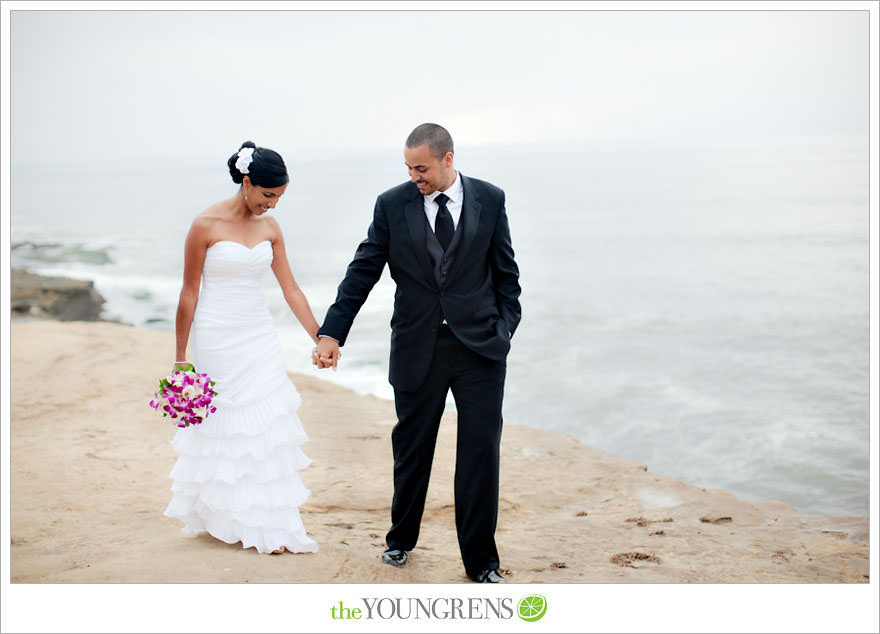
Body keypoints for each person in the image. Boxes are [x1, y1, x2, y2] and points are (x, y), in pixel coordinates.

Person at [314, 123, 521, 583]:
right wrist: (332, 332)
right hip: (416, 346)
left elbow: (507, 274)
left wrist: (504, 330)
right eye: (408, 167)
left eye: (422, 167)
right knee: (412, 448)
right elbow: (363, 268)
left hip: (480, 349)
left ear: (448, 159)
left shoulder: (491, 198)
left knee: (480, 453)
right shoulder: (392, 205)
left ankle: (482, 563)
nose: (414, 176)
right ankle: (400, 541)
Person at [164, 141, 320, 555]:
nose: (272, 205)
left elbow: (290, 289)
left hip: (259, 334)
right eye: (268, 195)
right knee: (225, 424)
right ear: (247, 183)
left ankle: (269, 520)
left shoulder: (271, 229)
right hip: (216, 335)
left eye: (279, 198)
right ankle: (224, 516)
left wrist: (320, 336)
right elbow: (188, 294)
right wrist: (182, 359)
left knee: (266, 425)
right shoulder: (205, 224)